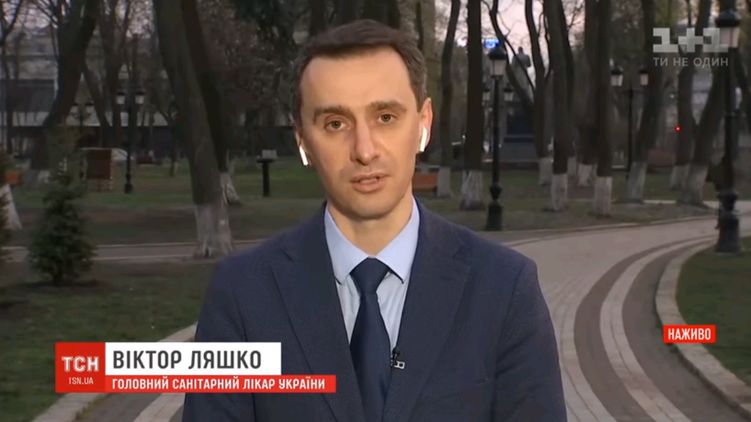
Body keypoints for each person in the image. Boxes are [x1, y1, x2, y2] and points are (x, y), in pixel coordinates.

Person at [183, 19, 565, 422]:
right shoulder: (242, 294)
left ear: (423, 124)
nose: (364, 151)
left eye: (385, 117)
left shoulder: (504, 289)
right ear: (303, 141)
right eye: (335, 124)